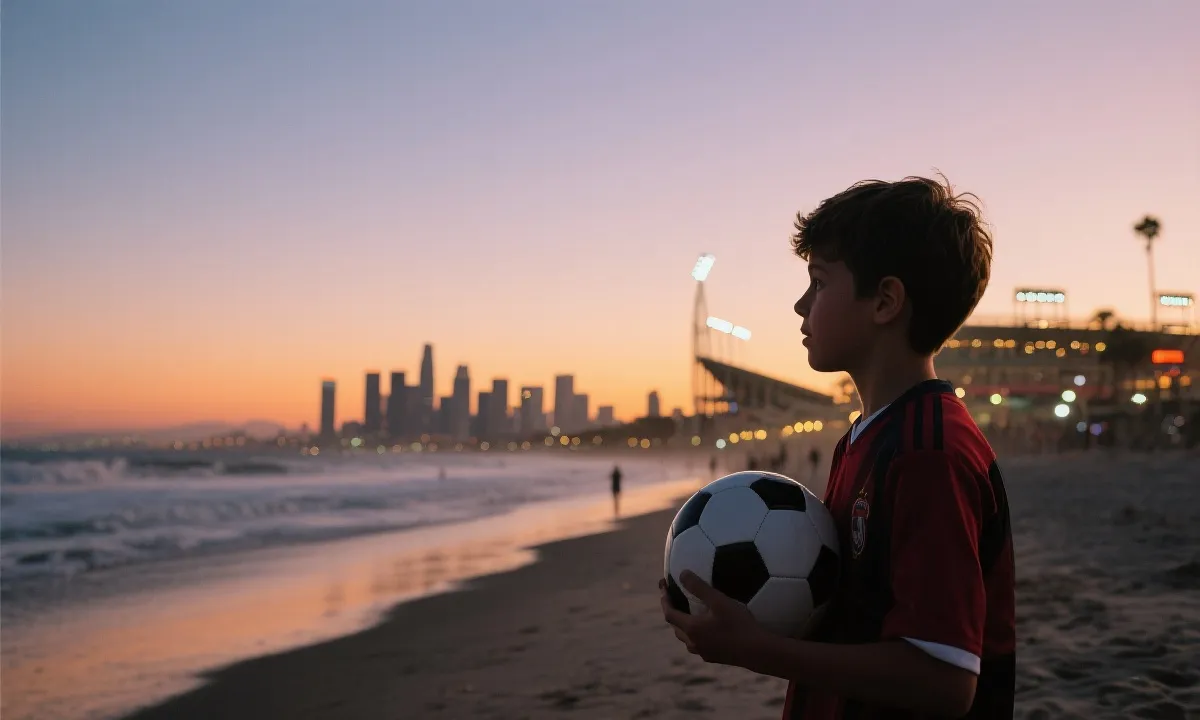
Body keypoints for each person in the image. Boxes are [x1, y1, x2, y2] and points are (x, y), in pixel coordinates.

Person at [659, 176, 1015, 719]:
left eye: (819, 283)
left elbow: (944, 680)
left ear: (885, 301)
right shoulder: (865, 436)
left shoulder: (930, 452)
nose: (801, 305)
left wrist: (759, 650)